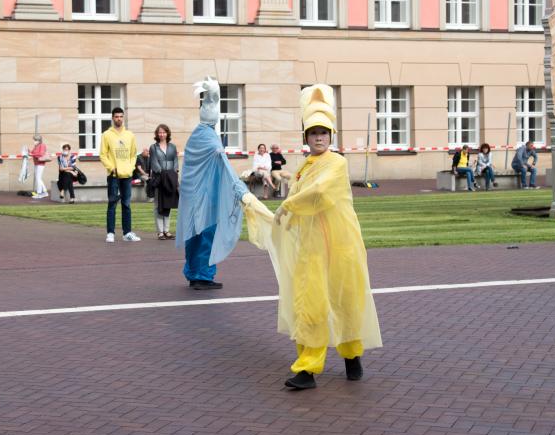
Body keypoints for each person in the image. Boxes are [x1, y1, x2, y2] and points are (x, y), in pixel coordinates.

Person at [242, 85, 381, 389]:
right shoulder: (304, 167)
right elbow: (299, 197)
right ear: (305, 137)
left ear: (331, 135)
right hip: (312, 249)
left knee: (345, 301)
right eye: (313, 132)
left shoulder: (337, 162)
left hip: (341, 246)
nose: (319, 137)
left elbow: (318, 195)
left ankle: (352, 355)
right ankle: (307, 368)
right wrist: (276, 217)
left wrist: (287, 206)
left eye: (324, 132)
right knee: (311, 305)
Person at [176, 77, 250, 290]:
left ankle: (192, 272)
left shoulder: (195, 136)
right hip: (206, 197)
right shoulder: (210, 138)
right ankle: (203, 276)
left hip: (193, 196)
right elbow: (223, 164)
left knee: (193, 235)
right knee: (207, 234)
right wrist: (240, 189)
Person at [100, 107, 140, 243]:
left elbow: (134, 154)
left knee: (127, 204)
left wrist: (130, 167)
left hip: (127, 175)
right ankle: (110, 233)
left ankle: (127, 232)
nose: (119, 119)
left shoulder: (130, 135)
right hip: (113, 175)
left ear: (123, 118)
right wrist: (111, 168)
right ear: (112, 118)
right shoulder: (107, 135)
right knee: (112, 203)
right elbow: (103, 155)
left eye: (121, 116)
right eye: (116, 116)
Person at [149, 124, 179, 240]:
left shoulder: (172, 147)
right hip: (159, 178)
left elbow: (175, 161)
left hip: (170, 178)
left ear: (167, 133)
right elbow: (154, 162)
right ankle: (160, 231)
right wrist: (162, 173)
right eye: (159, 132)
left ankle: (167, 230)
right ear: (157, 134)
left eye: (164, 132)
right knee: (158, 205)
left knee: (168, 204)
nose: (162, 134)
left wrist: (174, 173)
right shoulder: (153, 147)